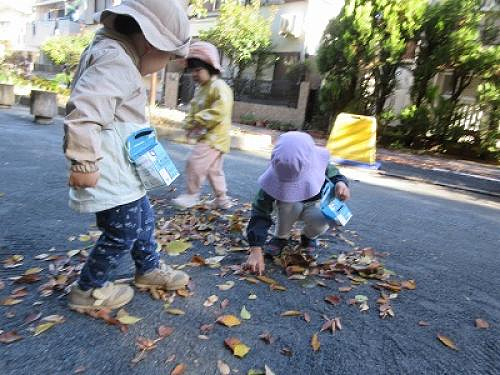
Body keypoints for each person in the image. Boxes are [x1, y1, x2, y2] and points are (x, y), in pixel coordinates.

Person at [64, 0, 191, 311]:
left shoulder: (117, 55)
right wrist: (83, 160)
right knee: (121, 231)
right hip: (107, 169)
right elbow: (85, 111)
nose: (166, 64)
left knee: (143, 218)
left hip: (123, 169)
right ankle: (88, 289)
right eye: (169, 56)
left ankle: (147, 269)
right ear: (150, 42)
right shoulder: (115, 61)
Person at [243, 132, 351, 275]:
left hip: (314, 204)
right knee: (289, 205)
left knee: (321, 220)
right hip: (288, 206)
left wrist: (341, 183)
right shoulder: (279, 170)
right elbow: (260, 212)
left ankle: (308, 237)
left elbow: (335, 174)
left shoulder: (319, 163)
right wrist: (256, 249)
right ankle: (281, 237)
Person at [172, 41, 234, 210]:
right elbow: (193, 108)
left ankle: (192, 195)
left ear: (210, 67)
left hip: (214, 136)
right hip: (210, 136)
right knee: (213, 170)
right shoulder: (201, 89)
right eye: (192, 71)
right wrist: (188, 123)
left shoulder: (219, 86)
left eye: (198, 70)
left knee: (195, 162)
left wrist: (197, 120)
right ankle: (222, 199)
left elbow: (220, 110)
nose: (194, 74)